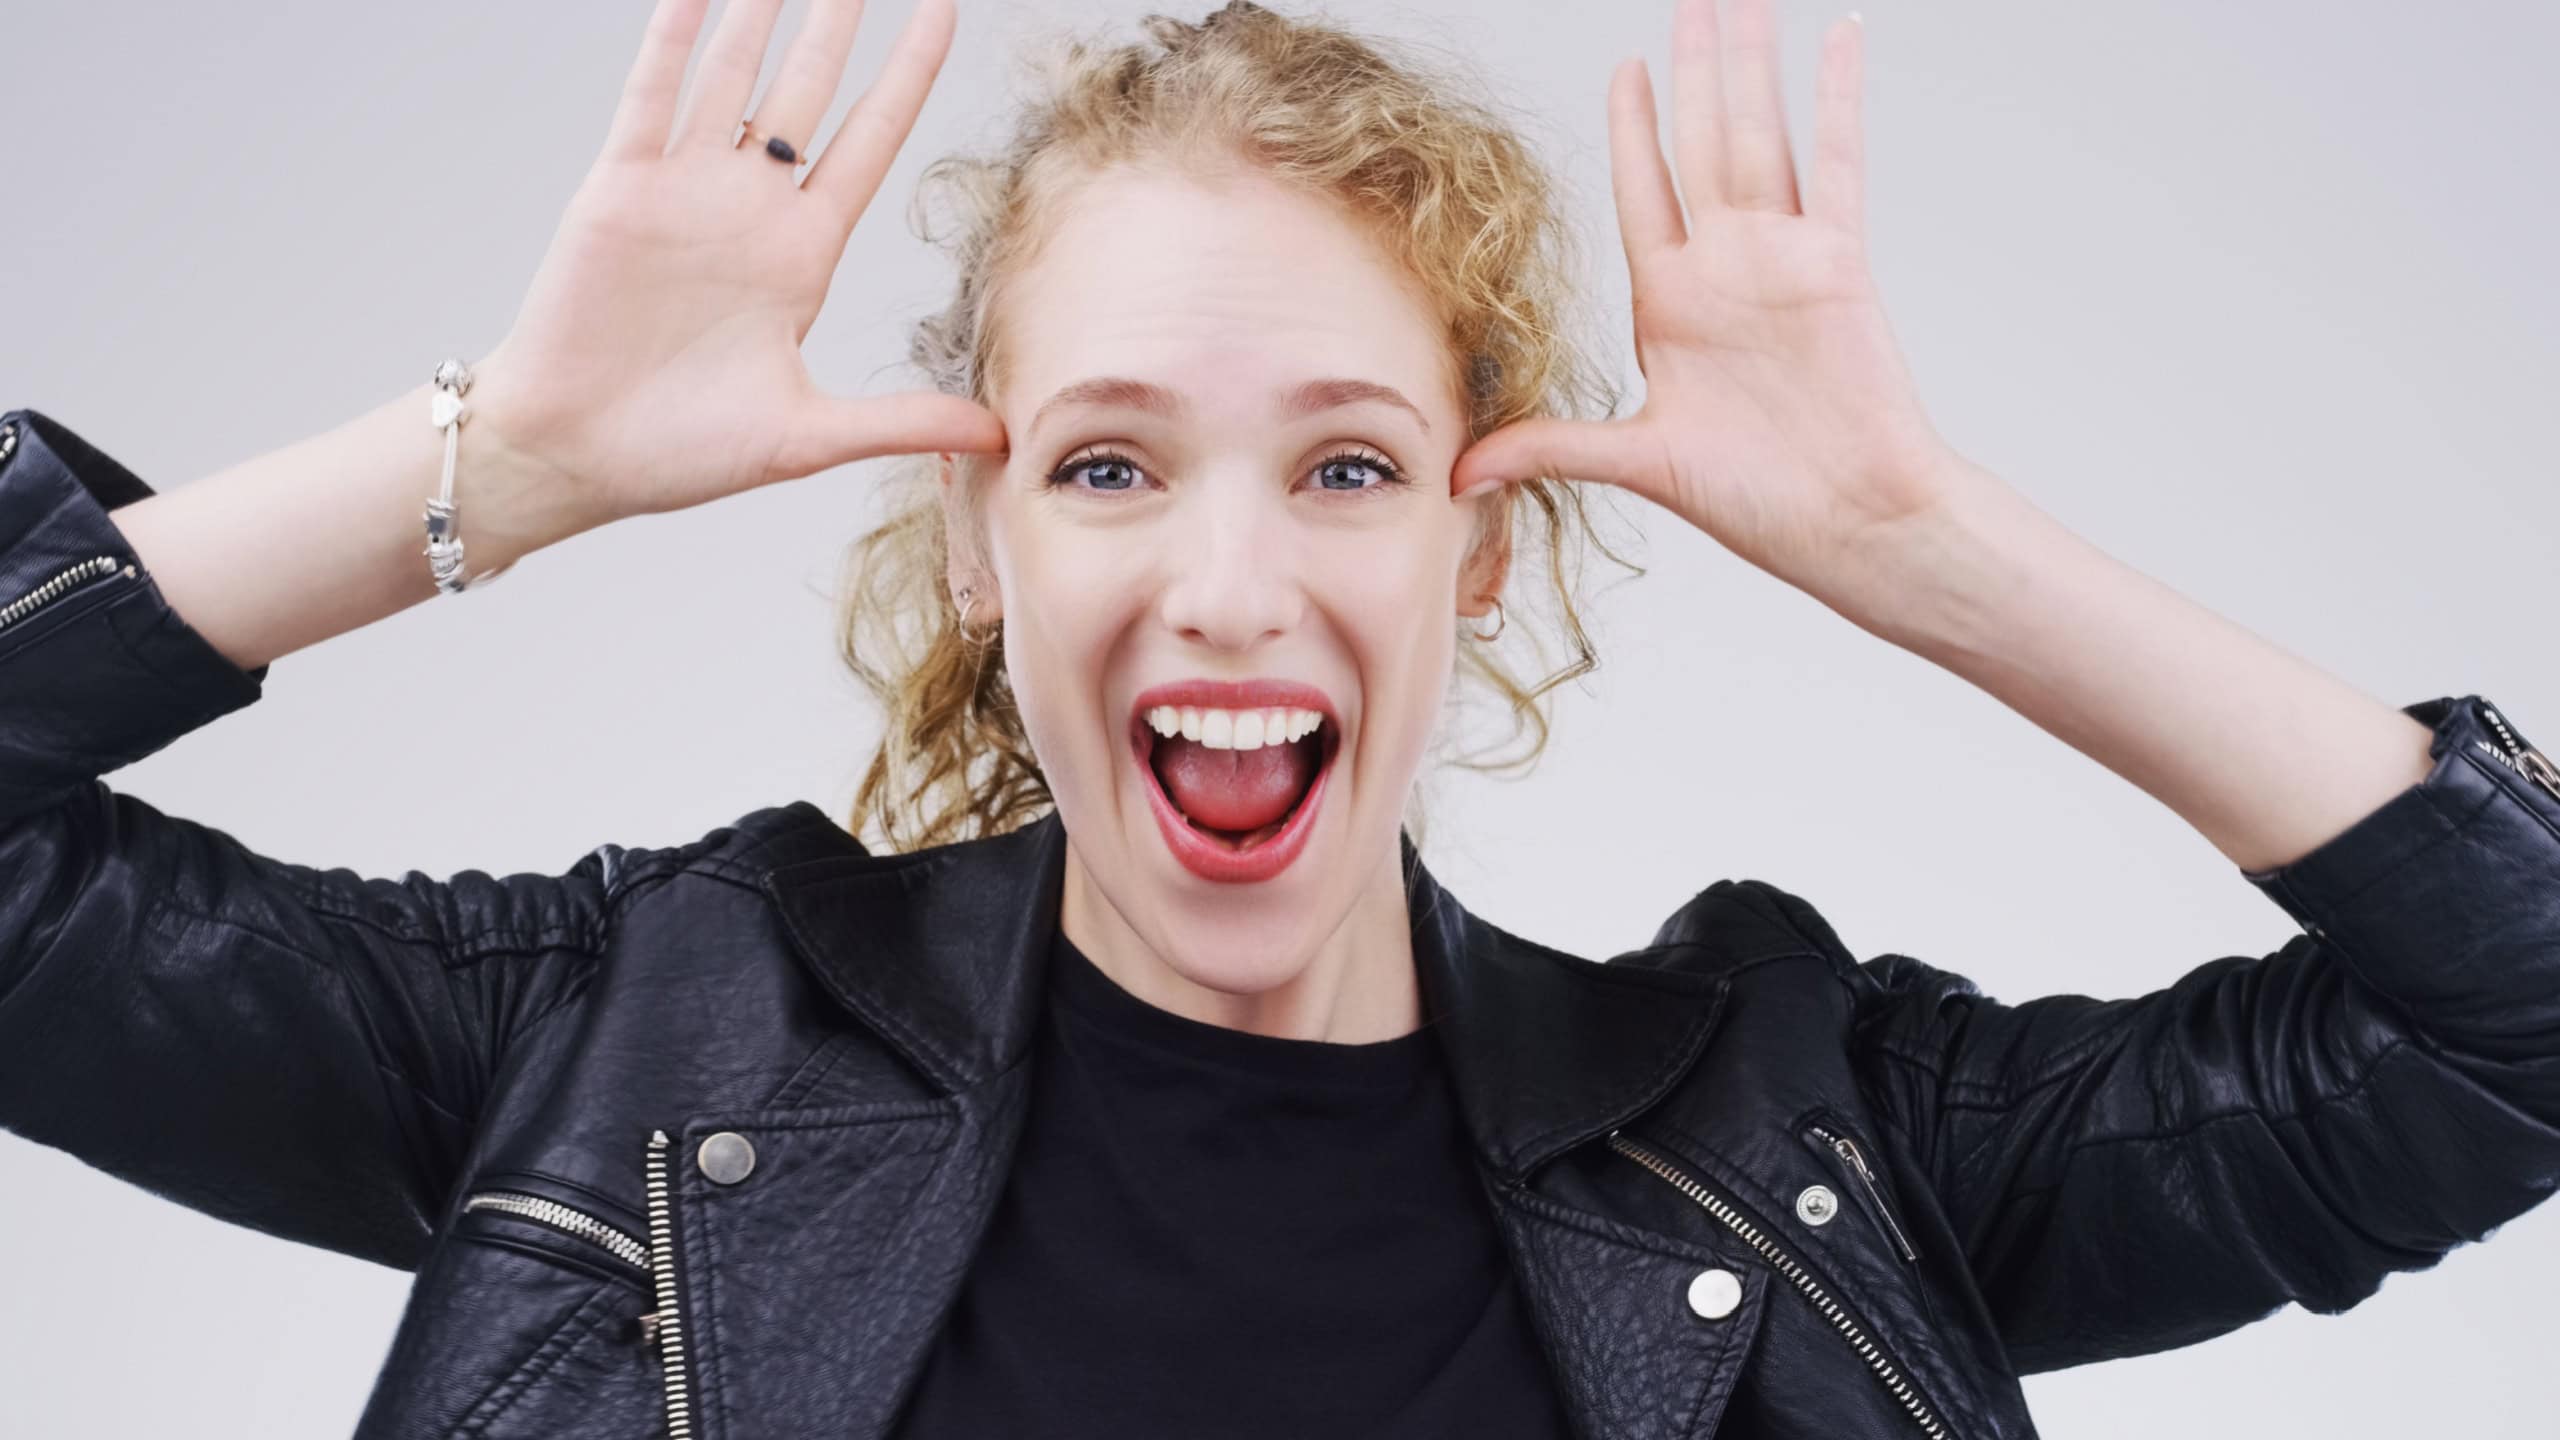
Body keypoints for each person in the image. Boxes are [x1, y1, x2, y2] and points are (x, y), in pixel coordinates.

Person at [2, 0, 2554, 1436]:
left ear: (1476, 539)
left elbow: (2520, 1032)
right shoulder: (622, 1042)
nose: (1227, 580)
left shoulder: (1792, 1137)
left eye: (1346, 463)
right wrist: (498, 468)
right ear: (987, 542)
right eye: (1105, 463)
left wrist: (1928, 551)